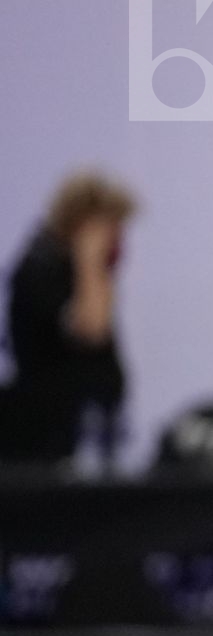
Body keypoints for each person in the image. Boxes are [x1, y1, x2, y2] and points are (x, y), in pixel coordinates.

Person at [0, 170, 135, 465]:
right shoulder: (42, 271)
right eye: (112, 231)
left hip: (83, 437)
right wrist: (90, 260)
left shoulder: (79, 275)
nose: (118, 243)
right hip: (44, 446)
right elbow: (91, 329)